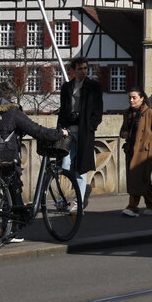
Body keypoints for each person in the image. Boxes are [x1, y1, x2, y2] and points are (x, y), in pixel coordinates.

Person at [0, 81, 69, 243]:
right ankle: (9, 231)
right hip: (5, 157)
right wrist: (59, 133)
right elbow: (36, 130)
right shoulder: (12, 111)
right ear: (11, 97)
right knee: (11, 191)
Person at [119, 87, 152, 217]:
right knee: (142, 179)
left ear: (142, 98)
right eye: (130, 98)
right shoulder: (127, 113)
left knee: (136, 178)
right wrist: (124, 133)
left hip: (145, 152)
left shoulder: (150, 113)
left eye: (134, 97)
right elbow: (122, 130)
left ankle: (132, 207)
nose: (131, 100)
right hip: (131, 149)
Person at [57, 57, 103, 207]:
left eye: (85, 68)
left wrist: (91, 125)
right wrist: (61, 127)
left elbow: (98, 110)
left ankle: (80, 200)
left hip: (84, 132)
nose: (83, 71)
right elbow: (63, 109)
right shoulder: (67, 87)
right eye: (80, 69)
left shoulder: (94, 87)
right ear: (74, 70)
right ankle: (63, 198)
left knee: (81, 167)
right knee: (64, 165)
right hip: (68, 132)